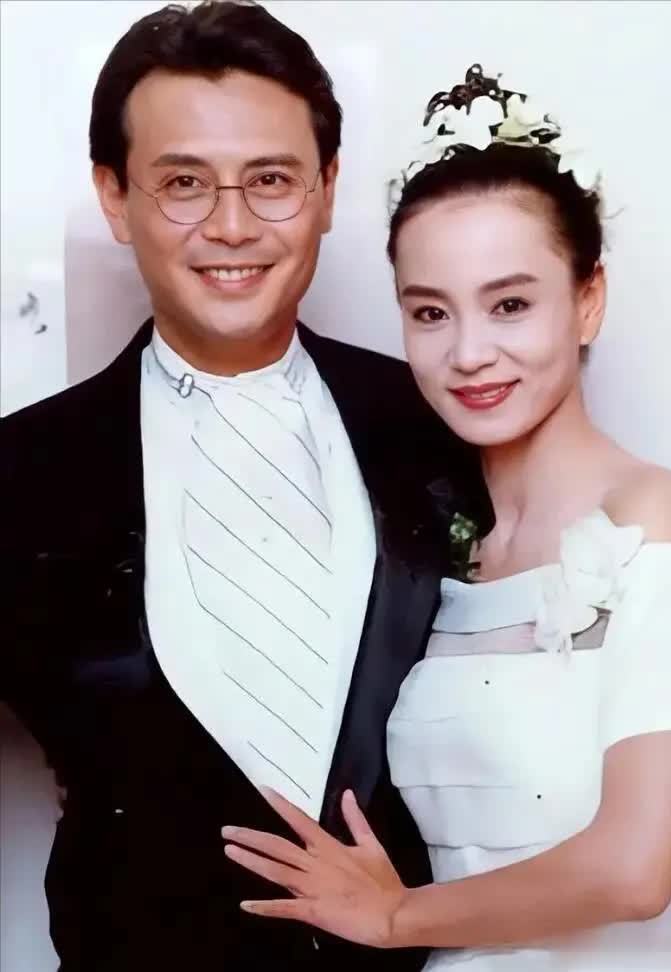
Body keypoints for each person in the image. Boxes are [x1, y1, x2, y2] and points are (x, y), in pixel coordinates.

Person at [0, 5, 489, 970]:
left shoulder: (440, 423)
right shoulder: (21, 471)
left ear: (326, 189)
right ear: (114, 196)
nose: (231, 226)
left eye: (270, 180)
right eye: (184, 183)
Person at [221, 65, 671, 971]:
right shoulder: (436, 550)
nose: (468, 352)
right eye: (430, 312)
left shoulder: (655, 521)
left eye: (510, 304)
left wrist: (396, 916)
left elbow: (637, 871)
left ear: (587, 298)